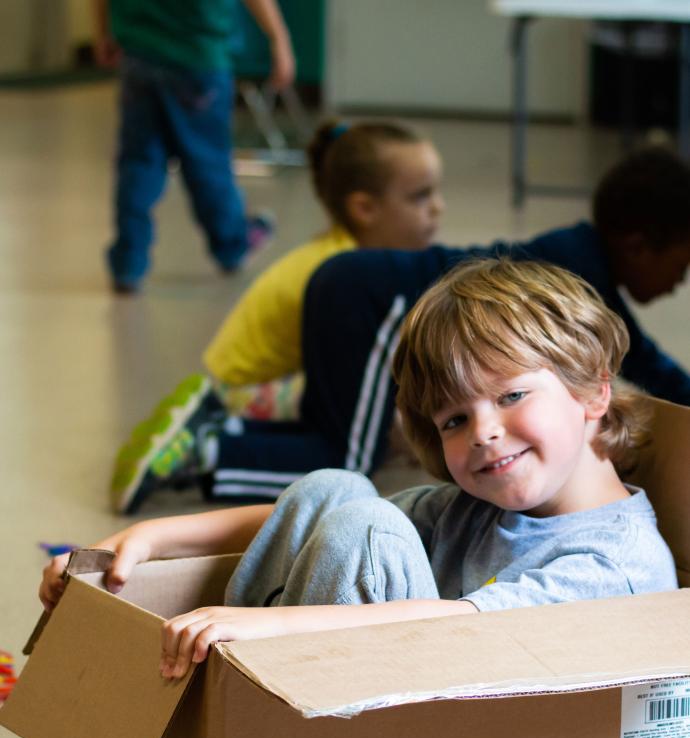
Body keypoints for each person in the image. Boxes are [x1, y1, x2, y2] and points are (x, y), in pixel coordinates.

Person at [40, 259, 678, 680]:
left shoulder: (615, 564)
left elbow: (466, 624)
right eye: (453, 420)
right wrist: (154, 539)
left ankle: (254, 690)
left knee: (364, 528)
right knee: (336, 489)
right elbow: (295, 516)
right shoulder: (480, 508)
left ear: (594, 393)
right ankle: (236, 685)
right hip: (359, 693)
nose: (483, 432)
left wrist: (272, 625)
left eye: (512, 396)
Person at [116, 144, 690, 512]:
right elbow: (644, 361)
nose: (677, 283)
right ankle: (208, 448)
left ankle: (219, 427)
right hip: (377, 302)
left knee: (331, 429)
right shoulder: (579, 272)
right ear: (640, 245)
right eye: (680, 265)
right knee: (347, 457)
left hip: (356, 286)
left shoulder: (577, 248)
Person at [111, 119, 445, 512]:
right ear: (364, 208)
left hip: (237, 383)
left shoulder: (336, 252)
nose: (437, 207)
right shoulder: (348, 276)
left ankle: (200, 429)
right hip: (251, 391)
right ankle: (207, 449)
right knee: (348, 465)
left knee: (375, 418)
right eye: (420, 197)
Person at [94, 0, 295, 293]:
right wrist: (279, 39)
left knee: (138, 163)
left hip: (140, 56)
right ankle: (231, 245)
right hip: (197, 58)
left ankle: (128, 261)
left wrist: (104, 32)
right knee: (207, 162)